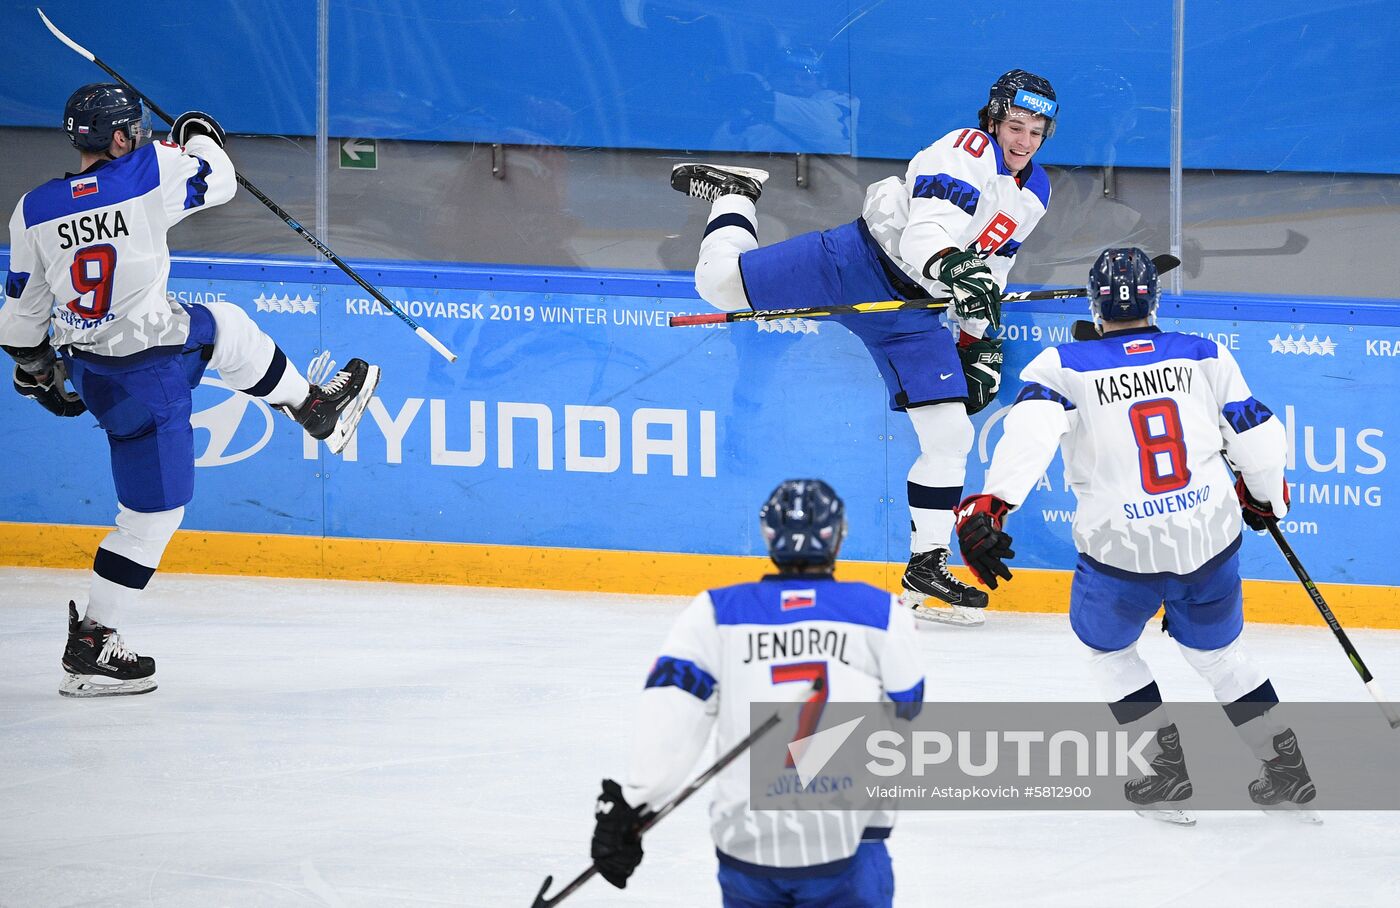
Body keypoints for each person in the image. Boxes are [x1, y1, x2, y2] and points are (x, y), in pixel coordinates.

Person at [0, 83, 382, 697]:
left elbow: (20, 322)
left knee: (223, 326)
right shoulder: (149, 172)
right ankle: (92, 646)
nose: (146, 136)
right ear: (120, 138)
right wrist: (200, 128)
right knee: (152, 519)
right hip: (148, 377)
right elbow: (220, 178)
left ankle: (317, 410)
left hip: (98, 371)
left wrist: (38, 370)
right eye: (138, 129)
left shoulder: (34, 208)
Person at [671, 70, 1058, 627]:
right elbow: (928, 235)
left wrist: (975, 338)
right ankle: (735, 193)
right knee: (719, 284)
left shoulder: (1035, 191)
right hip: (854, 264)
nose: (1023, 141)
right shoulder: (965, 149)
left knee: (950, 434)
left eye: (1036, 131)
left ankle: (924, 572)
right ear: (994, 120)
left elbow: (993, 267)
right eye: (1015, 126)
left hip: (914, 315)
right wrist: (957, 269)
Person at [954, 247, 1316, 819]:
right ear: (1156, 300)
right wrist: (1265, 497)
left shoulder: (1061, 364)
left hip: (1119, 551)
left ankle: (1165, 773)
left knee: (1109, 652)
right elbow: (1258, 436)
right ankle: (1286, 771)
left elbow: (1030, 433)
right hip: (1207, 542)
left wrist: (991, 506)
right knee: (1221, 658)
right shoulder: (1204, 354)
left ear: (1095, 304)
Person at [589, 479, 924, 906]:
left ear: (768, 535)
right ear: (839, 534)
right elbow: (907, 708)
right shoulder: (882, 613)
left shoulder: (713, 613)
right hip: (846, 842)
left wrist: (631, 805)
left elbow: (670, 713)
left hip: (746, 844)